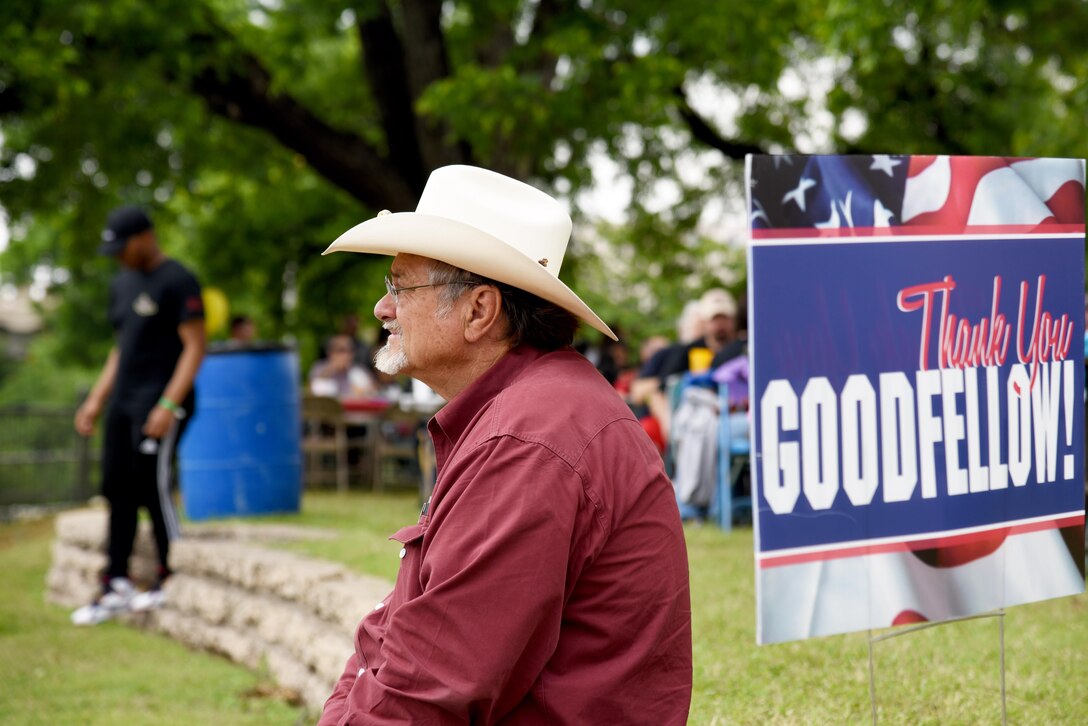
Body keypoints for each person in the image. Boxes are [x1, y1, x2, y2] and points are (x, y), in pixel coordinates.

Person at [318, 165, 692, 724]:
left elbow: (429, 689)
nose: (383, 308)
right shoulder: (530, 414)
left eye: (400, 285)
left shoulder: (529, 439)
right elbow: (396, 633)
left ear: (479, 311)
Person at [71, 205, 206, 625]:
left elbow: (195, 347)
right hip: (124, 401)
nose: (118, 256)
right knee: (117, 487)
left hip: (162, 401)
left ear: (145, 237)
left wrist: (168, 404)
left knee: (153, 485)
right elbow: (121, 349)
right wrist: (96, 399)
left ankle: (169, 575)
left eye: (122, 247)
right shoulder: (122, 284)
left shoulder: (178, 280)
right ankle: (116, 582)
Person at [308, 333, 378, 399]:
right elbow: (311, 392)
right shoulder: (319, 367)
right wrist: (331, 369)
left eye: (349, 351)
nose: (345, 355)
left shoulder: (359, 371)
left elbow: (373, 393)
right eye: (340, 350)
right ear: (330, 352)